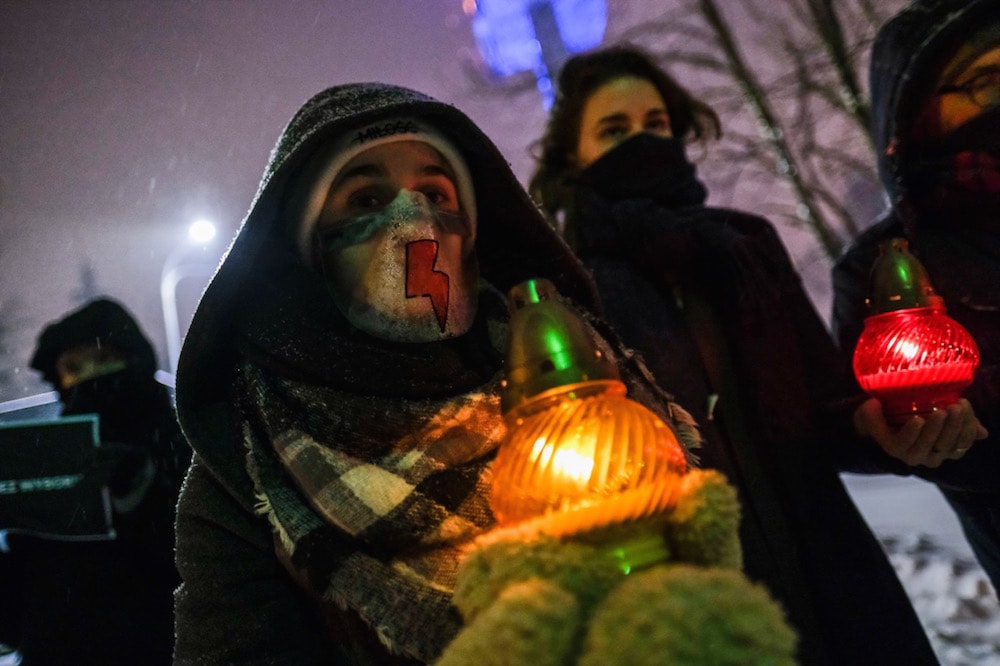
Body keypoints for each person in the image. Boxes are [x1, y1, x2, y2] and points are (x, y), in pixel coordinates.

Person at [170, 81, 709, 664]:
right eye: (364, 199)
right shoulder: (250, 467)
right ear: (307, 247)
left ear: (473, 226)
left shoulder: (574, 377)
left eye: (434, 190)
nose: (413, 219)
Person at [528, 44, 943, 664]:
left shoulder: (745, 246)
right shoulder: (569, 291)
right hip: (701, 609)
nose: (642, 141)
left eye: (656, 124)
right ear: (573, 156)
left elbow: (828, 407)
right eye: (614, 129)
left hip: (835, 581)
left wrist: (878, 424)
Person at [833, 0, 1000, 594]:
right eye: (986, 82)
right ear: (912, 113)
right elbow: (860, 420)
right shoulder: (884, 268)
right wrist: (902, 436)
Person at [0, 298, 189, 665]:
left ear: (132, 360)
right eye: (73, 368)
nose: (89, 378)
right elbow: (16, 615)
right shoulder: (45, 463)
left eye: (102, 360)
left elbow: (205, 560)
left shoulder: (184, 441)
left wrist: (140, 492)